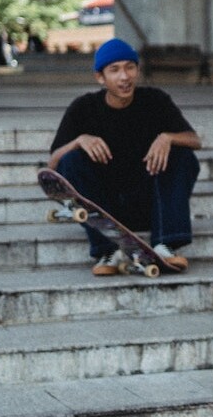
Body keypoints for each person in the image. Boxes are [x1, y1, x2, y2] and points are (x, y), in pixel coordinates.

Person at [48, 38, 202, 275]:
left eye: (130, 68)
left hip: (150, 204)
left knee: (182, 155)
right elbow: (53, 166)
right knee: (72, 160)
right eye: (115, 70)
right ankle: (108, 250)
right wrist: (78, 141)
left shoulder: (156, 101)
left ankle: (165, 244)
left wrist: (168, 137)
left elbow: (194, 141)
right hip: (105, 209)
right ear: (100, 78)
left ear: (137, 71)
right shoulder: (83, 108)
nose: (124, 77)